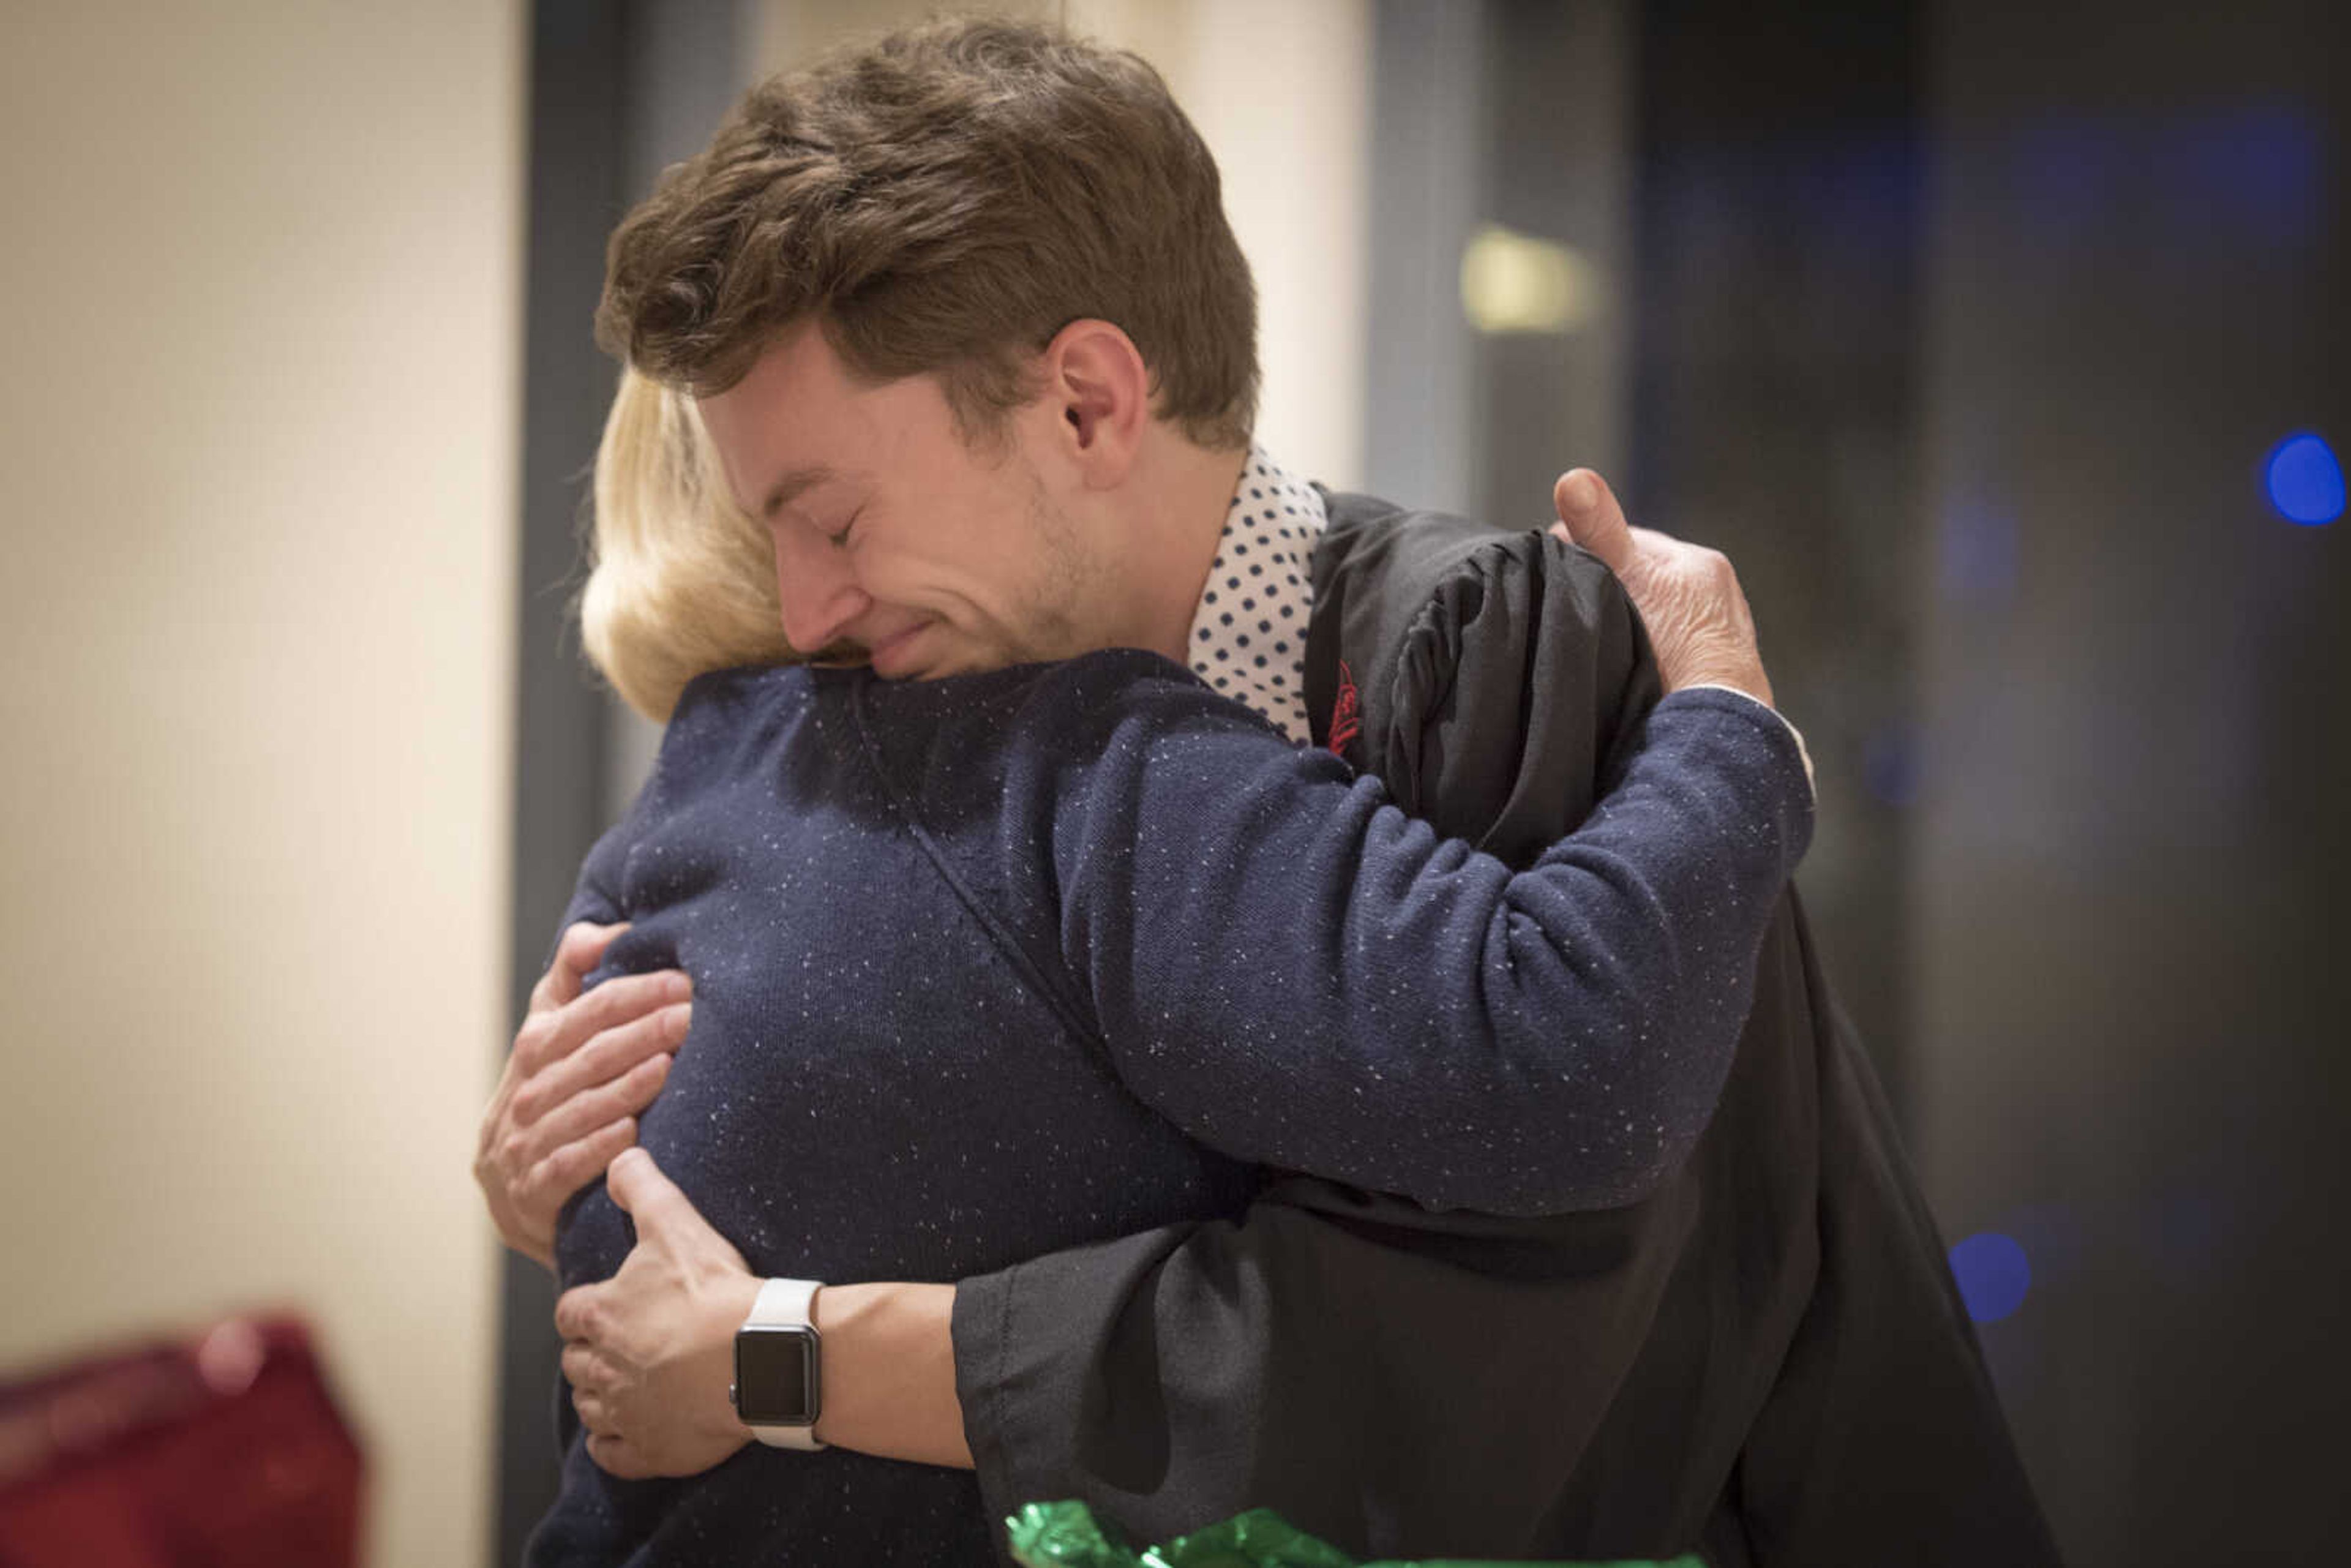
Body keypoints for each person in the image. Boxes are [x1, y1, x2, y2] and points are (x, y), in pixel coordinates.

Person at [476, 17, 2058, 1566]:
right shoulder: (1004, 748)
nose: (808, 614)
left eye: (832, 518)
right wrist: (621, 1176)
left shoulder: (1486, 659)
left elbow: (1462, 1378)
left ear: (1090, 402)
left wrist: (785, 1353)